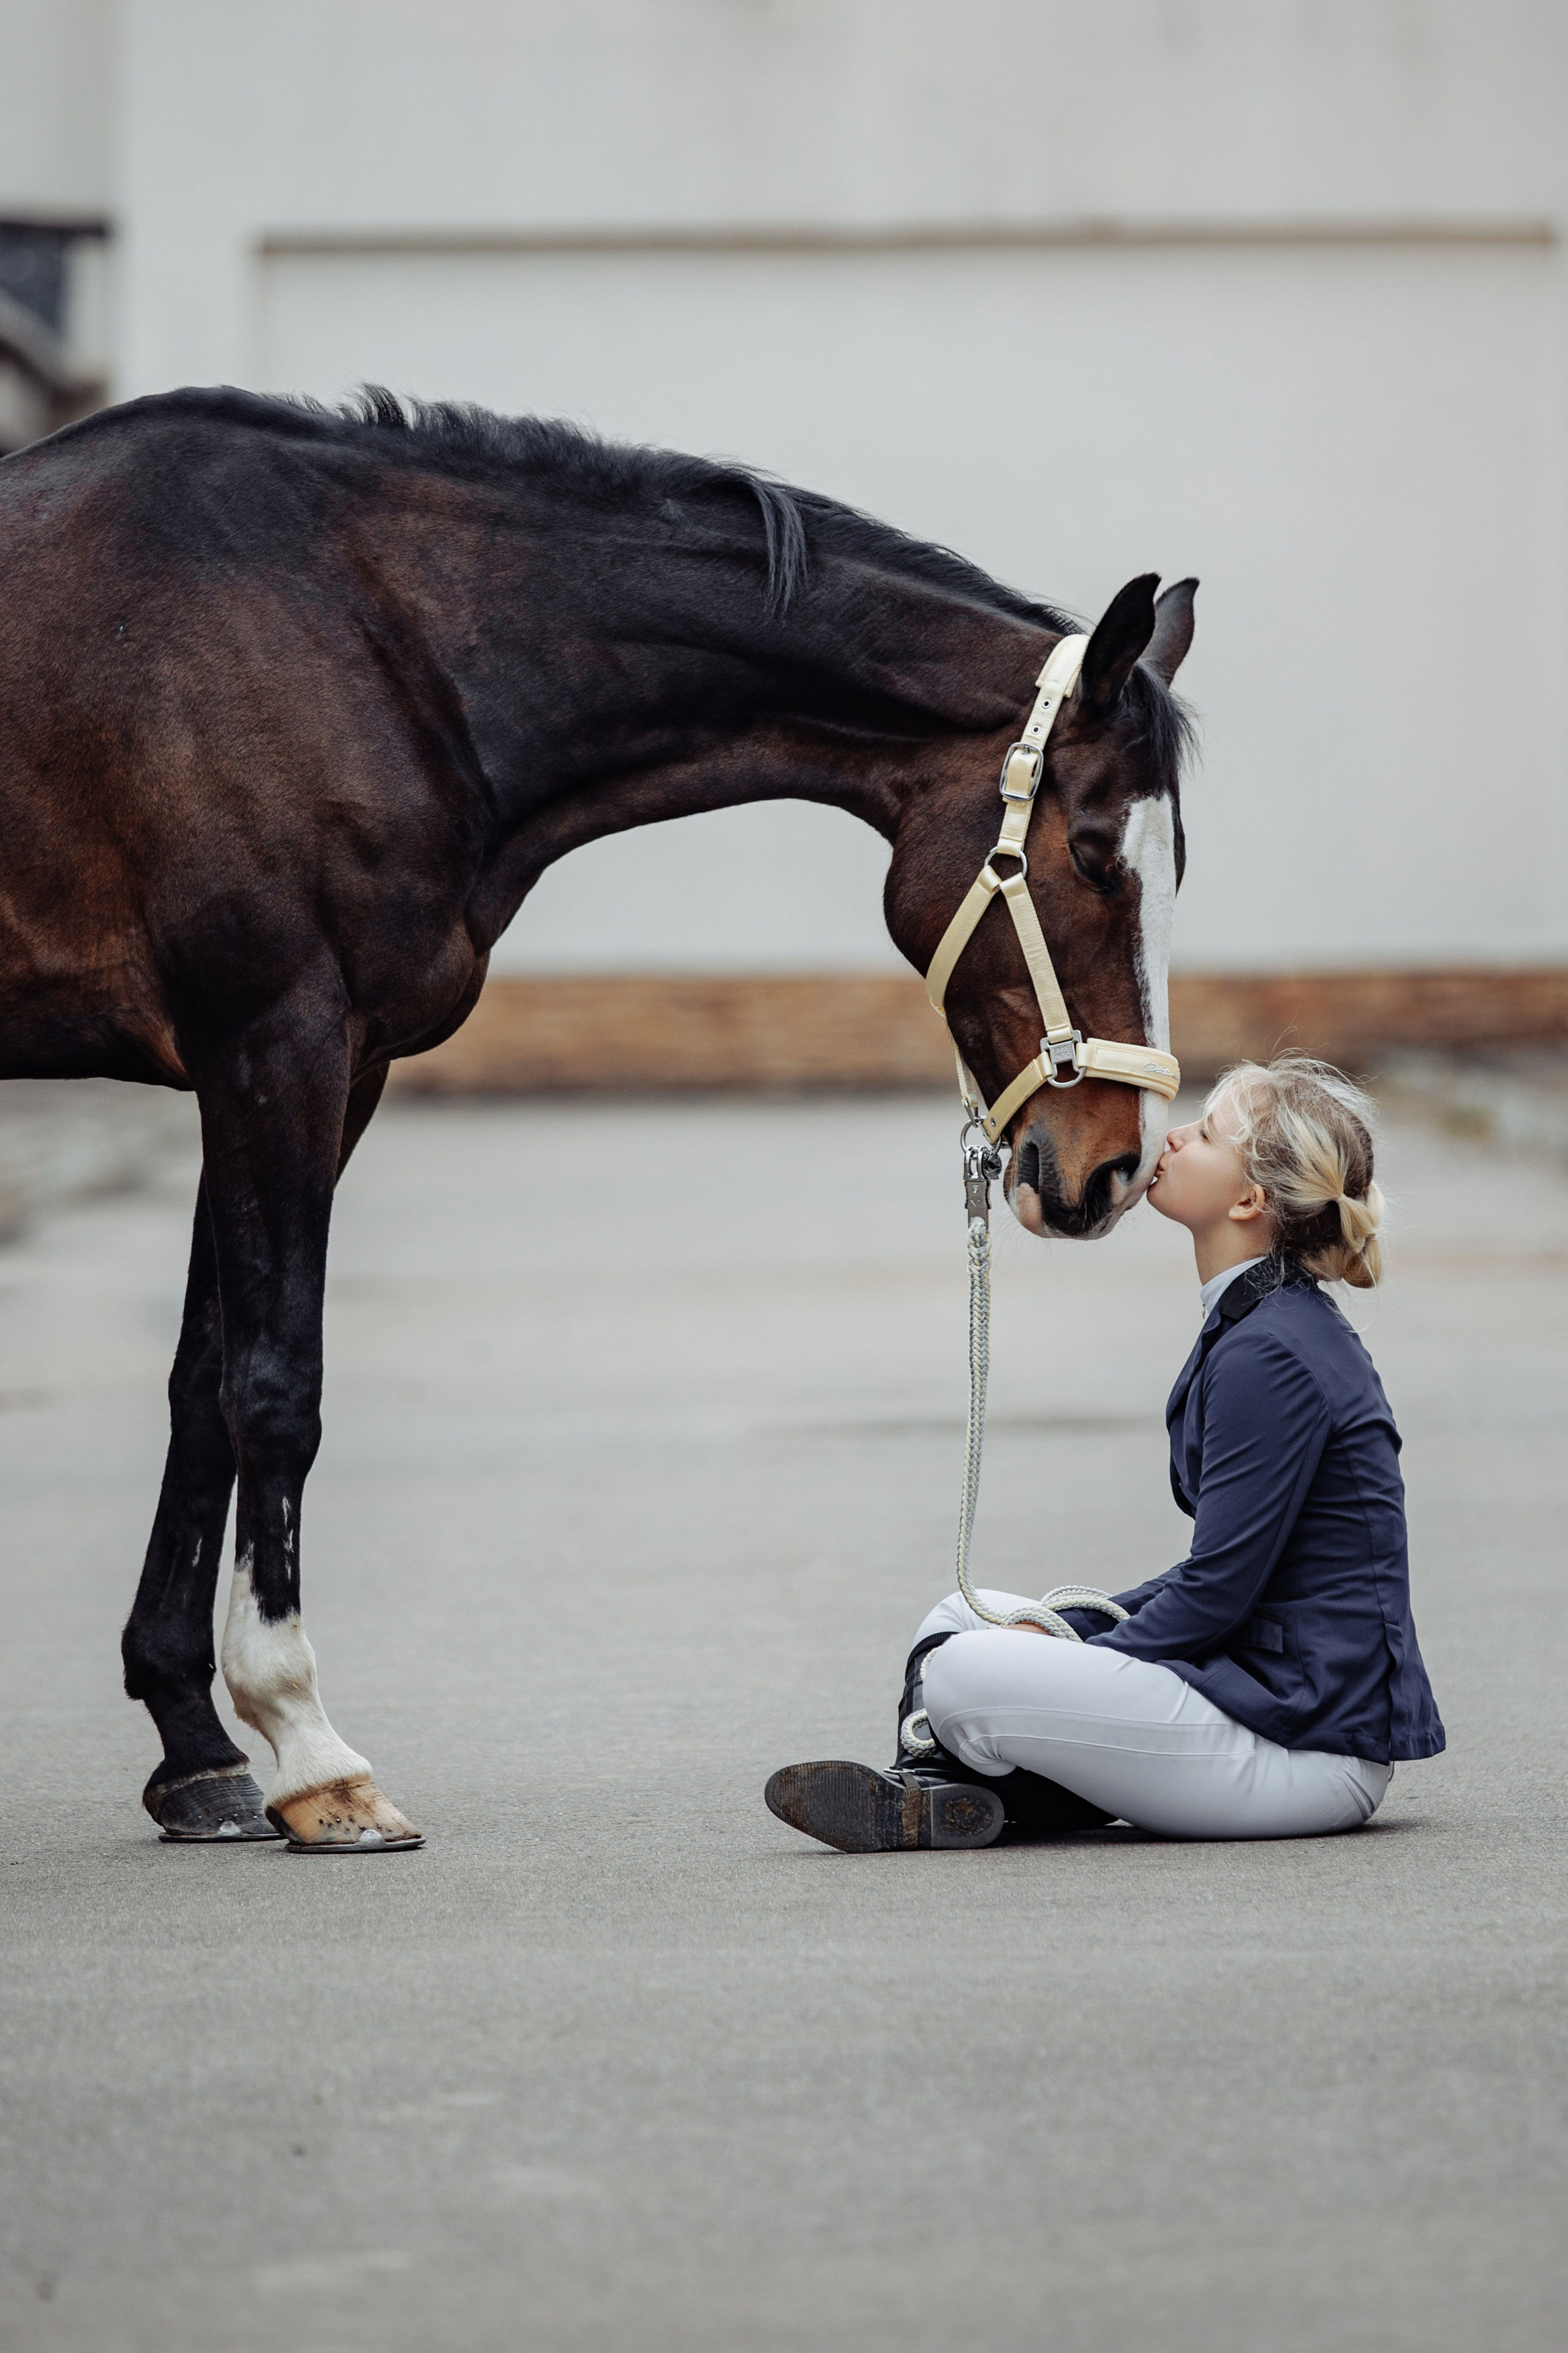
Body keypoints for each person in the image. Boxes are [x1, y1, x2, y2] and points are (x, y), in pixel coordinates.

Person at [766, 1056, 1444, 1852]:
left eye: (1206, 1132)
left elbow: (1217, 1592)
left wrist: (1077, 1645)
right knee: (960, 1616)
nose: (1174, 1135)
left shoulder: (1274, 1352)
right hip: (1264, 1706)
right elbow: (1220, 1578)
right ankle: (946, 1793)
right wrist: (1066, 1626)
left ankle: (957, 1783)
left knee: (960, 1672)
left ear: (1249, 1199)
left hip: (1303, 1751)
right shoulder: (1265, 1322)